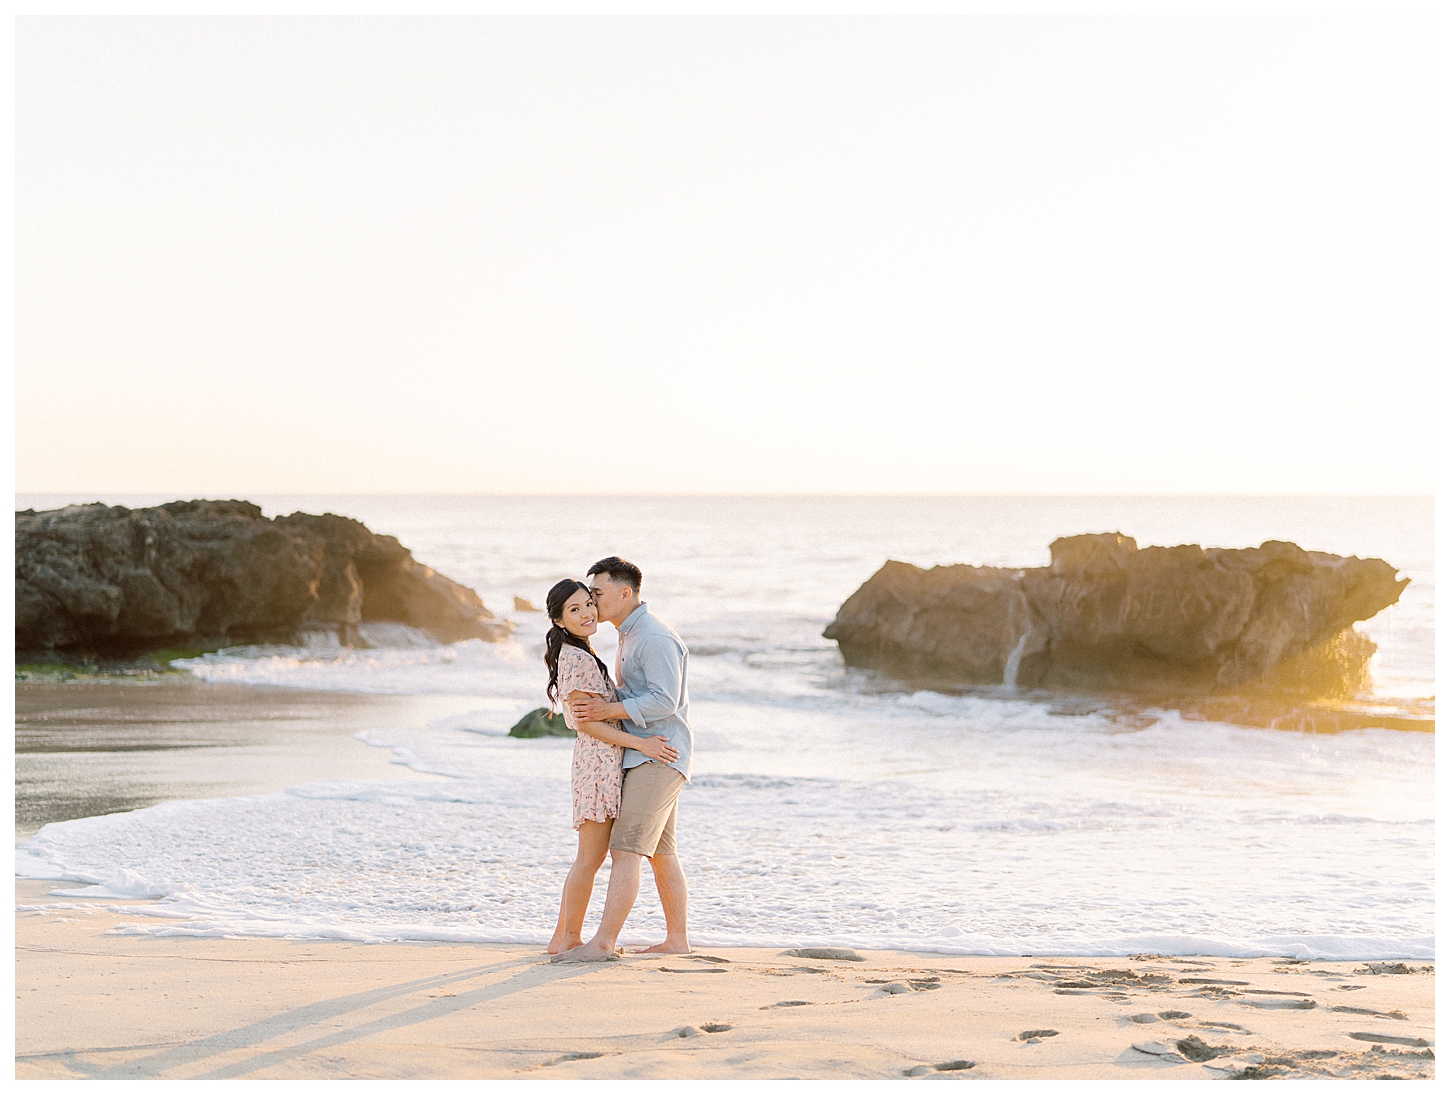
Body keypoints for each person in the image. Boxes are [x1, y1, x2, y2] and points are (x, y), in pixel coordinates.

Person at [554, 556, 694, 961]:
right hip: (649, 753)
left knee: (626, 851)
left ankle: (603, 943)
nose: (592, 603)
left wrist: (604, 712)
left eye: (596, 594)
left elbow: (666, 700)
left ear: (625, 593)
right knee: (662, 853)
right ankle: (677, 941)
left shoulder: (652, 636)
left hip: (659, 754)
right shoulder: (628, 635)